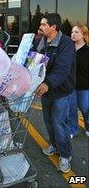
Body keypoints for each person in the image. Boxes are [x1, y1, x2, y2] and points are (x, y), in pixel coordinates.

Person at [34, 13, 76, 173]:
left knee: (59, 123)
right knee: (48, 121)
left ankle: (65, 155)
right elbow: (35, 61)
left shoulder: (66, 44)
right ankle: (54, 145)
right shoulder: (41, 41)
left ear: (53, 27)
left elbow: (62, 69)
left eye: (44, 24)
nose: (41, 27)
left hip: (61, 91)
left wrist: (47, 83)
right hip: (45, 89)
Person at [69, 24, 89, 137]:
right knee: (71, 109)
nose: (73, 34)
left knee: (85, 109)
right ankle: (73, 129)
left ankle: (88, 125)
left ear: (83, 35)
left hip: (84, 86)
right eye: (72, 32)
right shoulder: (69, 49)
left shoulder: (87, 50)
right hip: (70, 85)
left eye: (76, 32)